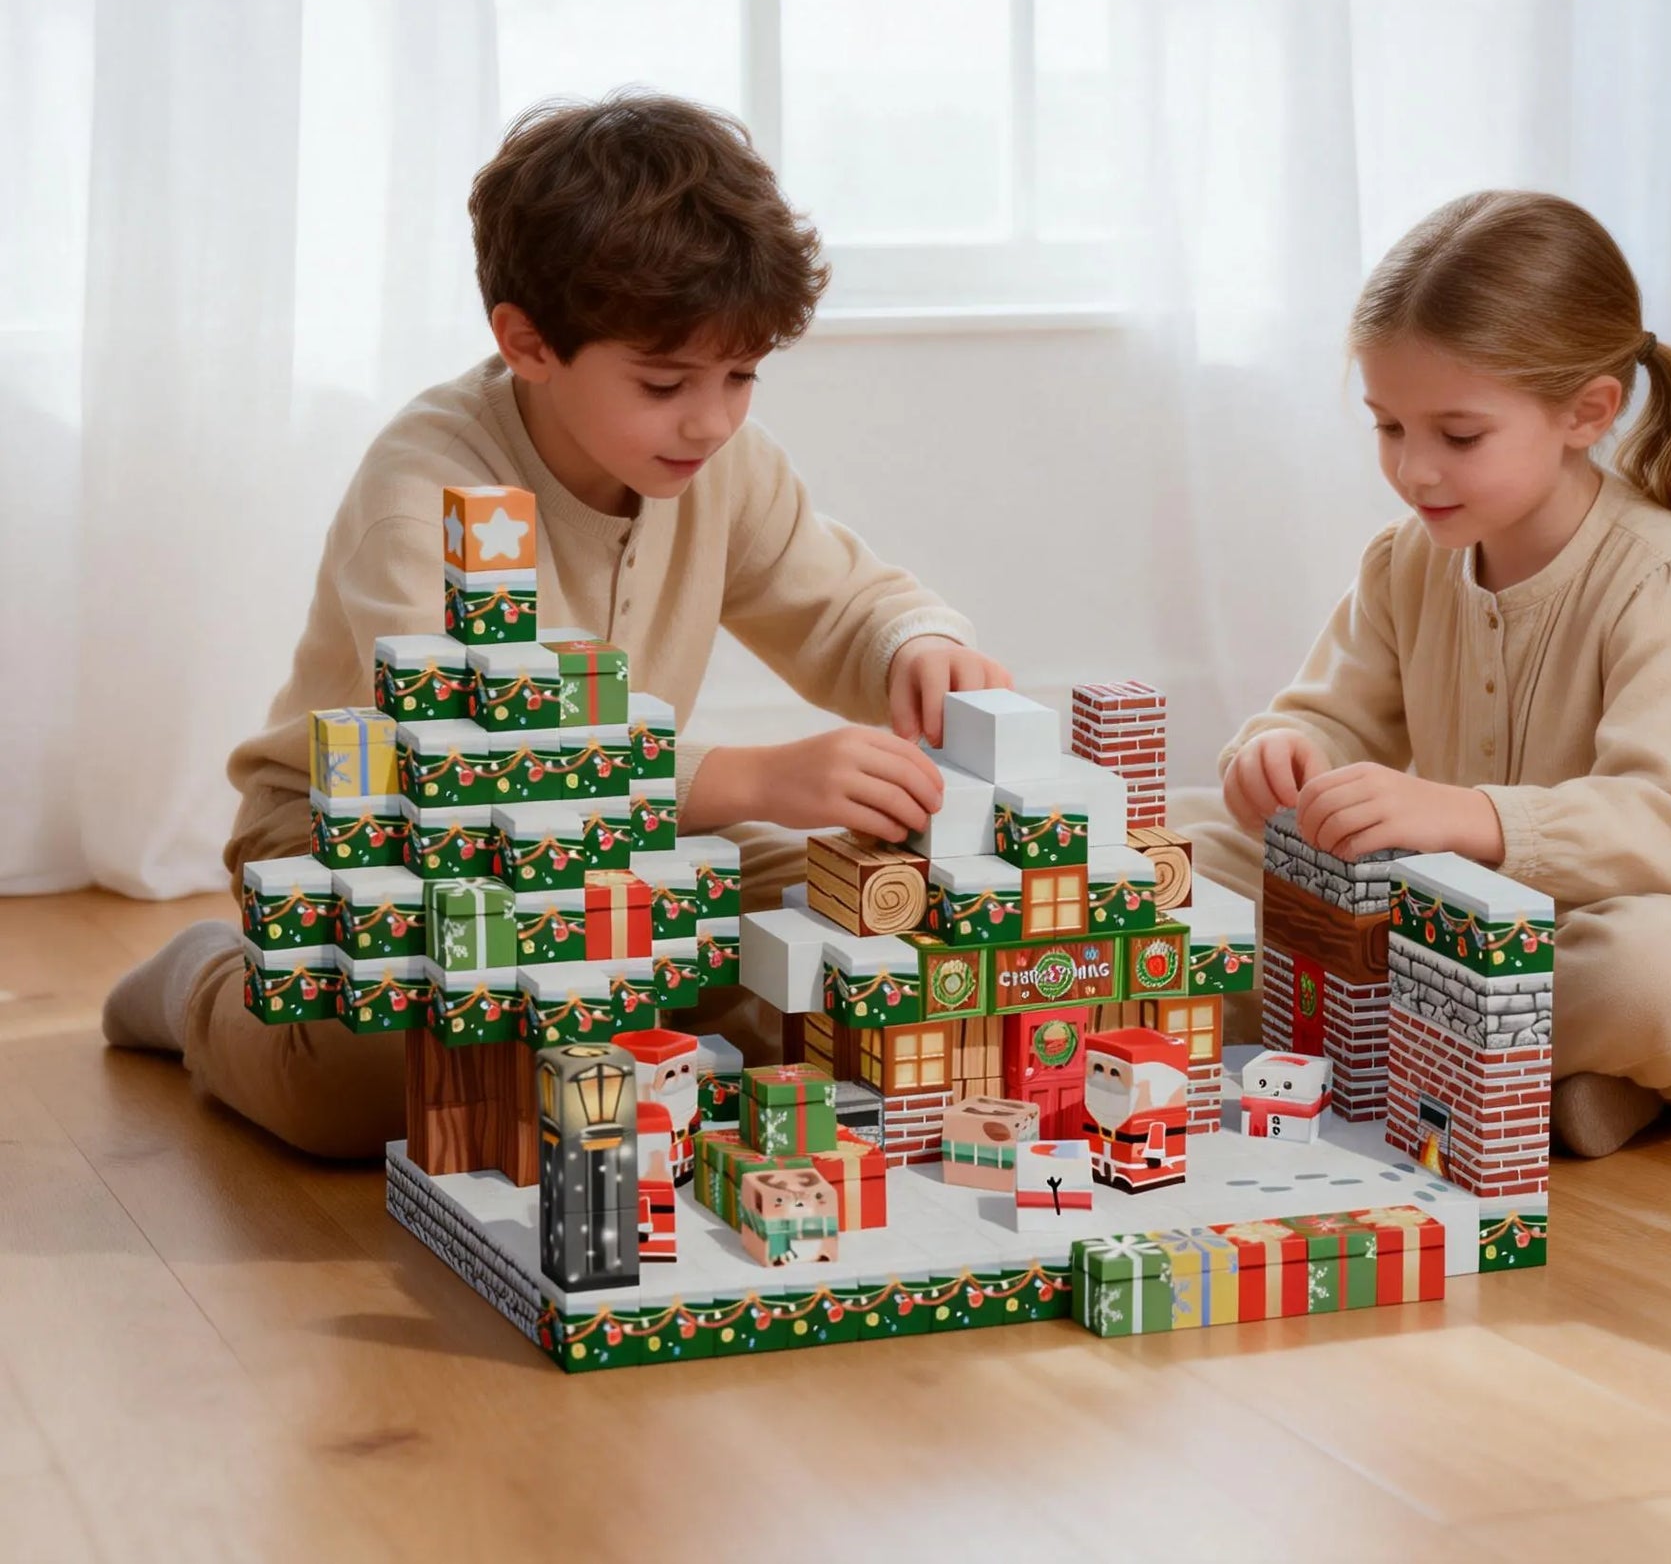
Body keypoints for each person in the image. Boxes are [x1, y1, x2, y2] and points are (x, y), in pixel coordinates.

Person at [103, 93, 1011, 1157]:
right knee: (374, 1087)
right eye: (666, 381)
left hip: (630, 839)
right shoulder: (430, 483)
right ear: (527, 343)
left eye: (740, 376)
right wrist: (754, 779)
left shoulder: (718, 466)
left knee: (869, 932)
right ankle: (204, 984)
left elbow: (840, 599)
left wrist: (913, 643)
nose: (711, 419)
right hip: (382, 834)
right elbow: (483, 761)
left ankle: (642, 1032)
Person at [1214, 188, 1671, 1157]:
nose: (1414, 471)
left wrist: (1469, 815)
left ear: (1584, 412)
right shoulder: (1405, 559)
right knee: (1177, 850)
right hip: (1461, 920)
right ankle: (1502, 1064)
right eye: (1388, 427)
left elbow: (1665, 822)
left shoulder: (1665, 578)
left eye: (1456, 436)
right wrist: (1279, 757)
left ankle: (1398, 1038)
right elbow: (1326, 714)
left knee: (1650, 976)